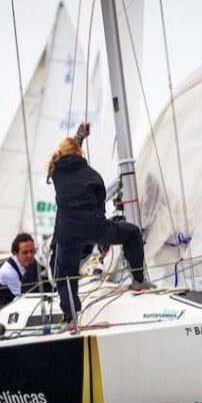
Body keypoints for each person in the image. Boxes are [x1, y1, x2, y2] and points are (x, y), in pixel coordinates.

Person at [47, 123, 154, 322]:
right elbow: (100, 207)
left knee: (65, 276)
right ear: (80, 153)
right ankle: (138, 281)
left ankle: (71, 320)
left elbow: (68, 155)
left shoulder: (56, 172)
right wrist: (99, 232)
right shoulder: (93, 175)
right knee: (132, 233)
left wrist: (79, 137)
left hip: (67, 233)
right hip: (94, 226)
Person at [0, 232, 51, 317]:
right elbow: (24, 296)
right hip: (0, 302)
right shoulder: (7, 271)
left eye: (32, 251)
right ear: (15, 253)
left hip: (18, 297)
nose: (30, 255)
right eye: (25, 252)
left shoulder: (35, 262)